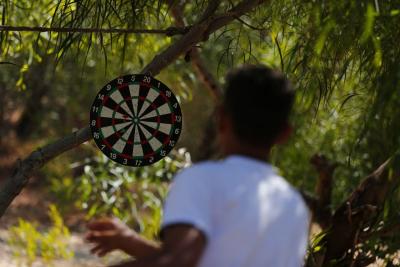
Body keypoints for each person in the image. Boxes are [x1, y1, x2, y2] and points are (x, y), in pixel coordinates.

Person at [85, 65, 310, 267]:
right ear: (285, 134)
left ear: (221, 118)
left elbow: (179, 261)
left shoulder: (203, 180)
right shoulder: (294, 205)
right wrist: (130, 241)